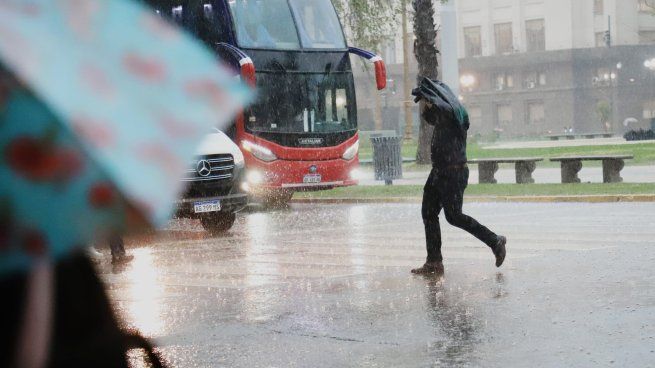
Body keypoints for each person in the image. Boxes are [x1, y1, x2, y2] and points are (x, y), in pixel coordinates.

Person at [411, 77, 506, 275]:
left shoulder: (450, 113)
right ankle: (434, 262)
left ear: (434, 99)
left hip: (453, 172)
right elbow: (430, 118)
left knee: (454, 216)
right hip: (439, 172)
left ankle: (495, 241)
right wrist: (427, 102)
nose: (424, 107)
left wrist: (430, 100)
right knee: (428, 213)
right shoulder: (445, 114)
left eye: (426, 102)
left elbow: (437, 110)